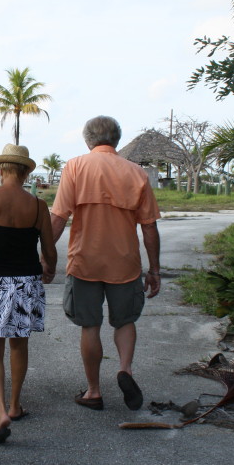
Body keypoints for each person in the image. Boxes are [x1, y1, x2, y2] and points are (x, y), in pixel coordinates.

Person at [50, 116, 161, 412]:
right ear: (117, 140)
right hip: (125, 264)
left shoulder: (75, 167)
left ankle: (94, 391)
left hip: (85, 261)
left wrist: (45, 257)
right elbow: (149, 227)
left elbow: (59, 218)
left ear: (88, 140)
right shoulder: (136, 173)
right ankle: (125, 369)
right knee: (125, 321)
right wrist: (155, 270)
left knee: (90, 325)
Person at [0, 144, 57, 444]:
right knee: (19, 344)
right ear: (26, 172)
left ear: (2, 170)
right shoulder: (38, 206)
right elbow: (49, 249)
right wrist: (49, 270)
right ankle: (16, 404)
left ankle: (0, 410)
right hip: (26, 280)